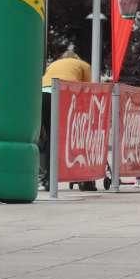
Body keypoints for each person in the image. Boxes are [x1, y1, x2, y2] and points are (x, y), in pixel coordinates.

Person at [39, 48, 92, 191]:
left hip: (42, 95)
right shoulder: (83, 65)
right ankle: (52, 177)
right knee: (58, 136)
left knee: (48, 135)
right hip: (61, 94)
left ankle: (44, 175)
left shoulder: (54, 64)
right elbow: (89, 89)